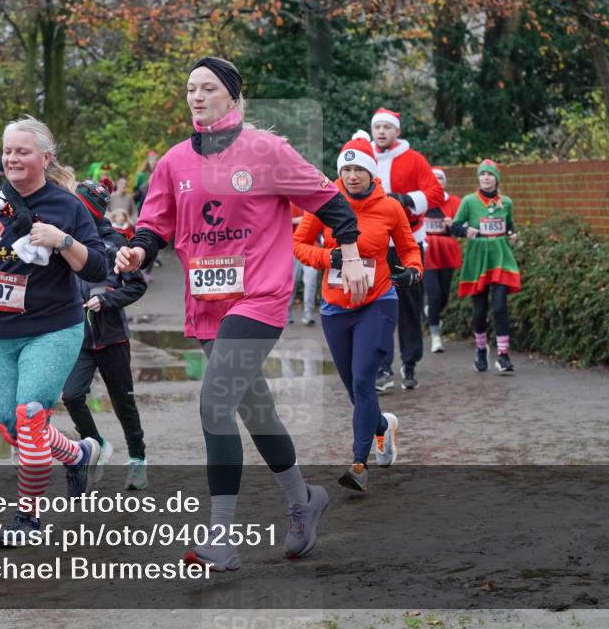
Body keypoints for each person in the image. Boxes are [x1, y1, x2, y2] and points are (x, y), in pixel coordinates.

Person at [115, 56, 370, 571]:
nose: (197, 96)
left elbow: (331, 202)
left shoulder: (267, 150)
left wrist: (351, 254)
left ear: (232, 97)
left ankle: (222, 538)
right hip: (208, 302)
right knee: (255, 411)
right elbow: (153, 224)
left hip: (259, 295)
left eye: (208, 88)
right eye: (190, 88)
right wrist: (138, 251)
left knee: (214, 404)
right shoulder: (172, 162)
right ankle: (303, 501)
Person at [0, 115, 109, 544]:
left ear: (45, 157)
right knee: (10, 423)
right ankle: (78, 455)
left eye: (23, 151)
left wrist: (62, 241)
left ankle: (28, 518)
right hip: (0, 332)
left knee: (30, 415)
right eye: (8, 151)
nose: (13, 158)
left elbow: (98, 266)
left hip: (53, 329)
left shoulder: (67, 206)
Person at [293, 136, 420, 491]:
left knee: (364, 381)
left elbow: (410, 249)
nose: (351, 176)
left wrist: (413, 270)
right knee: (354, 390)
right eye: (345, 169)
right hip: (336, 308)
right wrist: (328, 257)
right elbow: (299, 245)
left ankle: (359, 464)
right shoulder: (325, 203)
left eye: (358, 170)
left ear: (371, 172)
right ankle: (383, 426)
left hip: (378, 302)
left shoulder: (390, 207)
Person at [63, 180, 149, 489]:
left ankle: (138, 459)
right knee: (71, 396)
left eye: (81, 208)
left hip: (112, 336)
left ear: (94, 212)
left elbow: (137, 285)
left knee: (123, 402)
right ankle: (96, 445)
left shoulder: (115, 243)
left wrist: (108, 300)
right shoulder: (65, 242)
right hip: (79, 337)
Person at [365, 110, 444, 392]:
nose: (382, 131)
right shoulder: (364, 156)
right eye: (378, 127)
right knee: (378, 306)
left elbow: (436, 193)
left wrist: (405, 199)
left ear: (397, 131)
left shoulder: (414, 159)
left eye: (388, 127)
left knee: (409, 305)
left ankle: (409, 363)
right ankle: (382, 367)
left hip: (407, 242)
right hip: (374, 245)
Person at [450, 159, 520, 373]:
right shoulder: (469, 201)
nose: (486, 178)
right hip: (477, 258)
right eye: (482, 174)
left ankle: (503, 355)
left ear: (497, 178)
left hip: (500, 257)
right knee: (479, 311)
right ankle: (481, 349)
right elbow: (454, 226)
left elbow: (509, 225)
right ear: (478, 178)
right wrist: (465, 232)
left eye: (490, 174)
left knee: (499, 307)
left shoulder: (506, 202)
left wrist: (512, 234)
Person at [422, 168, 463, 353]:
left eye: (440, 178)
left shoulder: (454, 201)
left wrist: (452, 224)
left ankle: (432, 310)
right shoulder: (421, 202)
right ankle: (436, 336)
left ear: (445, 182)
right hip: (426, 250)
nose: (437, 181)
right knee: (434, 293)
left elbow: (463, 227)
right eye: (434, 178)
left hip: (446, 250)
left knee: (444, 295)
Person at [289, 202, 320, 326]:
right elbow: (282, 220)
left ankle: (308, 314)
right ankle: (286, 314)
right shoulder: (290, 202)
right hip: (291, 248)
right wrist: (305, 219)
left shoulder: (314, 201)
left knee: (310, 282)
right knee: (291, 282)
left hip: (312, 248)